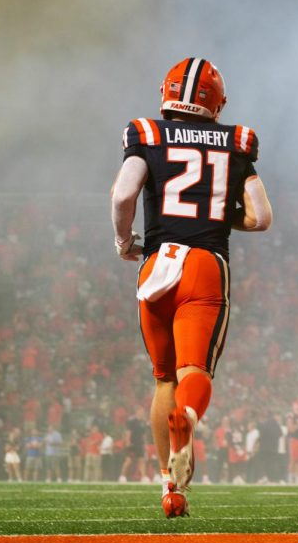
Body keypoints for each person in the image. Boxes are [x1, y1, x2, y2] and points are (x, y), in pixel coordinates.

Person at [111, 57, 273, 517]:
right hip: (204, 264)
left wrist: (125, 242)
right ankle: (191, 418)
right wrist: (221, 215)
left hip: (156, 265)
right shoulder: (236, 142)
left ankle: (171, 487)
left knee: (163, 379)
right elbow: (261, 218)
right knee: (193, 370)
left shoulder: (146, 133)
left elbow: (123, 195)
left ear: (167, 93)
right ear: (216, 101)